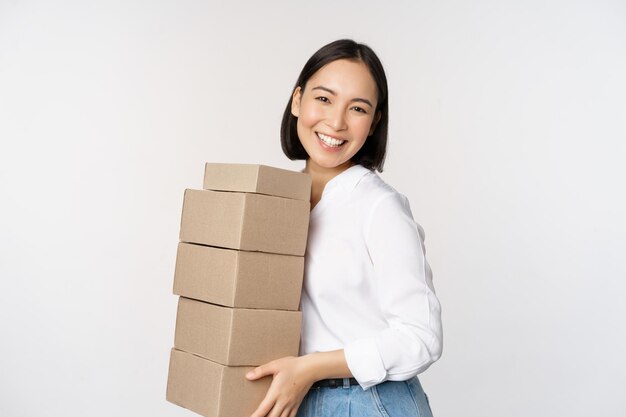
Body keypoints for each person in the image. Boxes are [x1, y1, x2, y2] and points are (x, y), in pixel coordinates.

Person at [246, 39, 443, 417]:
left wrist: (309, 368)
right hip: (295, 398)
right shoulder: (276, 205)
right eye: (323, 99)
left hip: (368, 402)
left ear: (373, 124)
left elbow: (422, 337)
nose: (336, 122)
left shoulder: (379, 207)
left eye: (357, 108)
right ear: (297, 100)